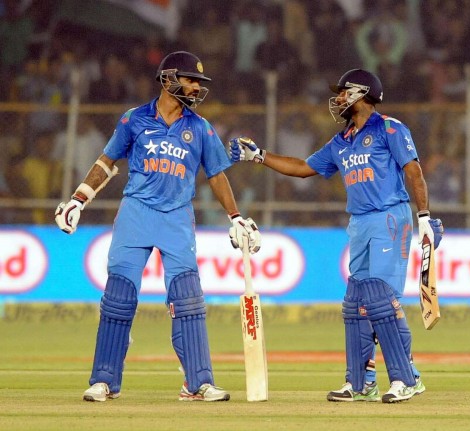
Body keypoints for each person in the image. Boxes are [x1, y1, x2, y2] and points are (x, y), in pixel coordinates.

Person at [55, 51, 261, 402]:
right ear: (168, 79)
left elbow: (216, 174)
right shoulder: (134, 119)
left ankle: (198, 382)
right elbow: (107, 162)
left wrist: (236, 216)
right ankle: (104, 380)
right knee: (118, 298)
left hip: (177, 217)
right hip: (136, 213)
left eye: (199, 82)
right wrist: (78, 199)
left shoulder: (200, 127)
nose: (196, 87)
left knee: (188, 299)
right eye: (190, 80)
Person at [229, 68, 443, 403]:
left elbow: (413, 170)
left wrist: (425, 216)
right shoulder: (340, 141)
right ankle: (360, 384)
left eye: (344, 92)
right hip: (359, 223)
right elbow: (303, 168)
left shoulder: (390, 128)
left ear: (362, 93)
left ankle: (408, 378)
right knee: (355, 303)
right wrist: (259, 156)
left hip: (390, 217)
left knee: (379, 299)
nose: (338, 98)